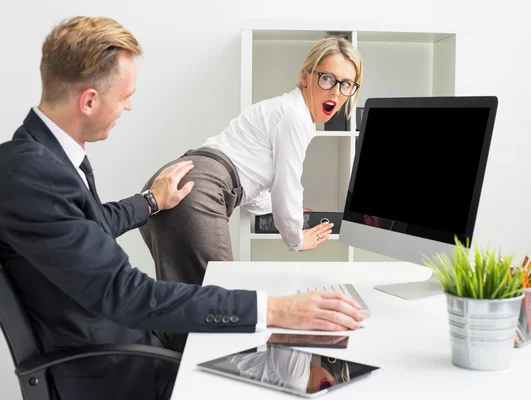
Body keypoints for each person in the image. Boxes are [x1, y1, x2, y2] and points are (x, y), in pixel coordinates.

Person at [0, 16, 365, 400]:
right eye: (125, 97)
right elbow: (126, 294)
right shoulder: (32, 174)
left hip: (138, 342)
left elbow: (93, 225)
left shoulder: (43, 161)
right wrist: (274, 309)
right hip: (119, 370)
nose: (129, 108)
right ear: (89, 101)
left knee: (281, 358)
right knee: (277, 373)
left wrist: (151, 201)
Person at [139, 36, 364, 286]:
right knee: (220, 301)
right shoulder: (295, 117)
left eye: (347, 84)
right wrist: (296, 239)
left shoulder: (284, 110)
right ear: (305, 77)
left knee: (185, 303)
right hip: (197, 190)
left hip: (174, 181)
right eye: (327, 78)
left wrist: (281, 209)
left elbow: (250, 179)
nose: (335, 91)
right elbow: (287, 185)